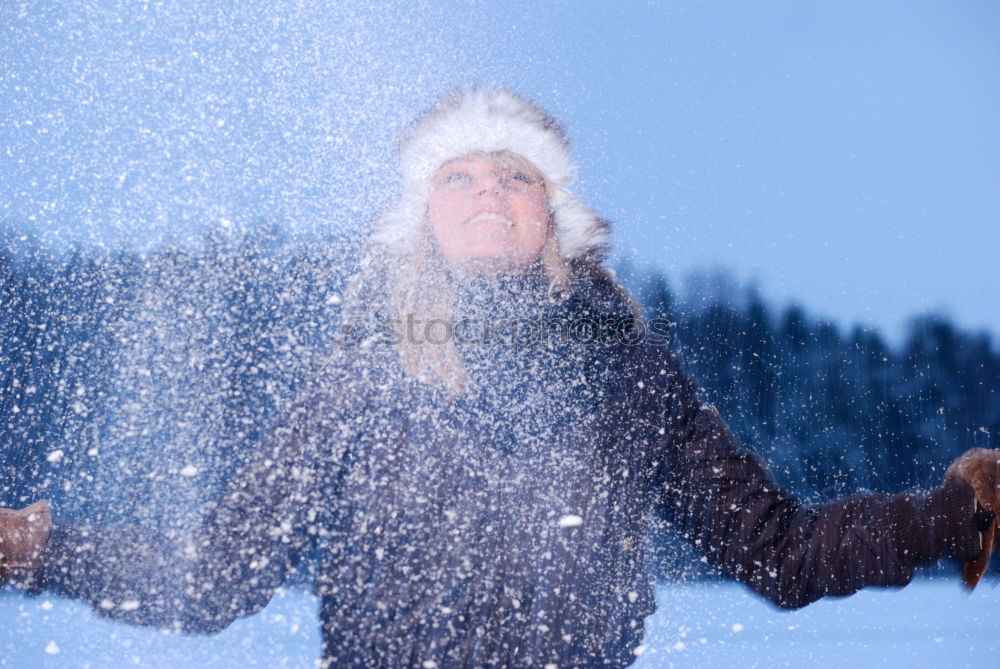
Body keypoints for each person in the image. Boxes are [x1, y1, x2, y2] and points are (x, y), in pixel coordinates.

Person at [1, 86, 998, 668]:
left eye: (513, 175)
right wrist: (38, 552)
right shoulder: (361, 379)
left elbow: (781, 554)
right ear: (424, 218)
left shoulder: (634, 381)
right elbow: (216, 576)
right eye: (457, 176)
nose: (486, 190)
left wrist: (954, 515)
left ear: (550, 216)